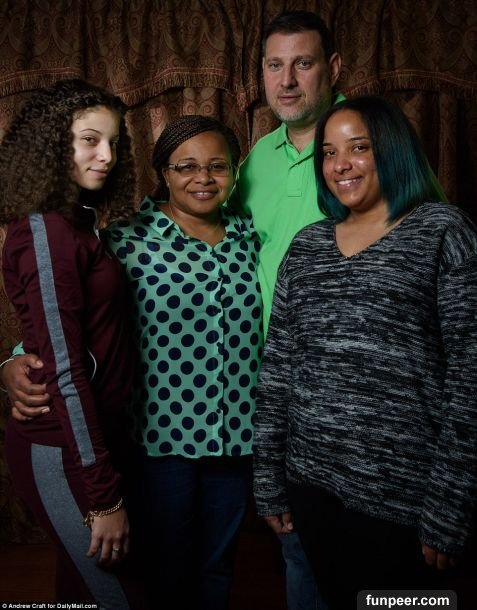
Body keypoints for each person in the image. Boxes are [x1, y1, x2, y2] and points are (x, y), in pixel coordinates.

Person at [2, 114, 263, 610]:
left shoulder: (251, 239)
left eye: (218, 166)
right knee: (161, 572)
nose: (203, 178)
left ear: (234, 172)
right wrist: (12, 362)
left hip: (236, 440)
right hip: (159, 441)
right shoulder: (126, 240)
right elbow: (71, 318)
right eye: (186, 166)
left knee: (217, 568)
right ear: (164, 172)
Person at [252, 95, 477, 610]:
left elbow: (470, 380)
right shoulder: (307, 246)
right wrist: (268, 479)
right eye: (329, 153)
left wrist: (450, 503)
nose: (341, 165)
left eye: (358, 148)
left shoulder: (443, 232)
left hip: (403, 502)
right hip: (310, 488)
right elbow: (279, 370)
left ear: (392, 150)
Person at [0, 79, 147, 608]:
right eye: (89, 140)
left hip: (94, 440)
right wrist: (103, 496)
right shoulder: (46, 233)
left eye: (113, 142)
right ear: (51, 143)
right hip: (61, 447)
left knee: (82, 592)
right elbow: (64, 366)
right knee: (120, 597)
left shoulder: (79, 226)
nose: (106, 156)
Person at [231, 10, 342, 609]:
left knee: (367, 546)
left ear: (333, 68)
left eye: (302, 63)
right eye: (275, 65)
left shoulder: (368, 139)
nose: (287, 80)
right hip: (274, 385)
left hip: (352, 385)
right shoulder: (256, 159)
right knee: (297, 543)